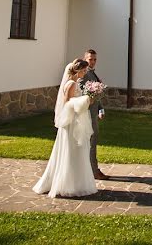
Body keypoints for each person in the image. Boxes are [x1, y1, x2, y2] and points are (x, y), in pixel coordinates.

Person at [32, 58, 97, 198]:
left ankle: (74, 182)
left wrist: (88, 97)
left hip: (74, 120)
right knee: (71, 150)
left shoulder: (74, 83)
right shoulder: (71, 84)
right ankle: (68, 184)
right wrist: (85, 100)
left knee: (76, 150)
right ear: (78, 70)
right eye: (84, 70)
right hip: (72, 122)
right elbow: (68, 103)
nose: (85, 73)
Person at [80, 49, 109, 180]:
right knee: (91, 142)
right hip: (86, 113)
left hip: (93, 111)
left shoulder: (92, 73)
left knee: (93, 141)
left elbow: (96, 95)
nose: (93, 62)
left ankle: (91, 169)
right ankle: (94, 171)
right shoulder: (84, 74)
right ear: (85, 59)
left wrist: (100, 109)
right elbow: (81, 91)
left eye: (95, 59)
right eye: (90, 59)